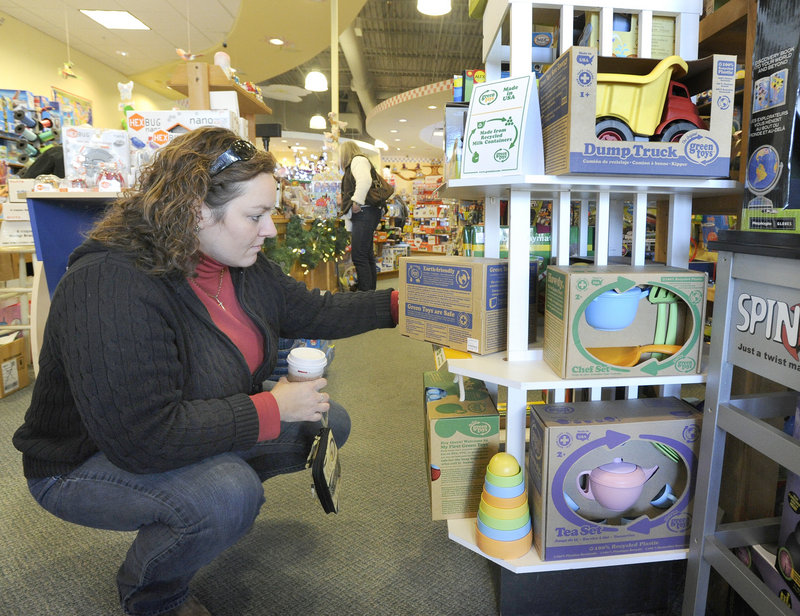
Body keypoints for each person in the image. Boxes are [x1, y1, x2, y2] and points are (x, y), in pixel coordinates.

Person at [12, 127, 398, 616]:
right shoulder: (112, 284)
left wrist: (403, 305)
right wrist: (271, 408)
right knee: (226, 493)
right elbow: (140, 437)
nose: (272, 229)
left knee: (324, 422)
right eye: (255, 215)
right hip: (83, 460)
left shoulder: (238, 265)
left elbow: (315, 311)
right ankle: (154, 595)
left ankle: (200, 508)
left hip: (175, 428)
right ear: (194, 210)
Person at [339, 141, 384, 291]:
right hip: (368, 212)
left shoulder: (357, 160)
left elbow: (365, 180)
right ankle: (370, 293)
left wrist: (356, 201)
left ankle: (366, 295)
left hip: (364, 212)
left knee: (359, 256)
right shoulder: (360, 161)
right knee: (366, 255)